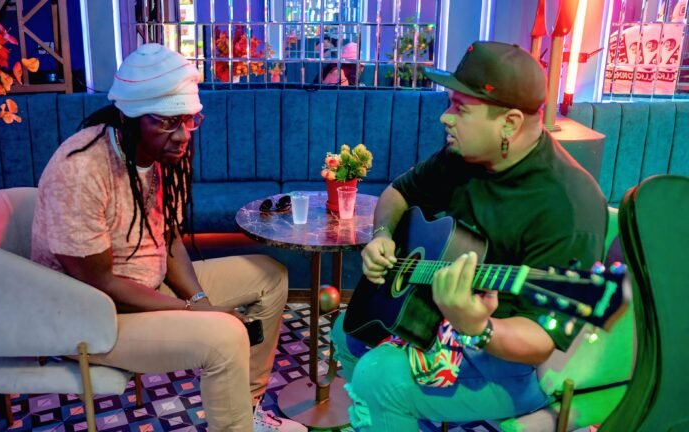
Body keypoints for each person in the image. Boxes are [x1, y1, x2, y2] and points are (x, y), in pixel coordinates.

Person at [330, 41, 608, 430]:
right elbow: (398, 192)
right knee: (348, 330)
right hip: (437, 315)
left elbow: (541, 341)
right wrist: (382, 235)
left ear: (509, 123)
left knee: (380, 377)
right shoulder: (462, 156)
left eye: (460, 108)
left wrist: (479, 327)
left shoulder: (568, 206)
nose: (445, 118)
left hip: (516, 363)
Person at [31, 43, 306, 432]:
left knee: (270, 276)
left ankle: (244, 411)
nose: (182, 136)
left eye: (189, 120)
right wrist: (193, 311)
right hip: (92, 317)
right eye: (167, 122)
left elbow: (168, 238)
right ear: (129, 117)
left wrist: (200, 300)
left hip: (146, 285)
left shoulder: (157, 155)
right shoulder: (81, 169)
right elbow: (101, 284)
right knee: (225, 335)